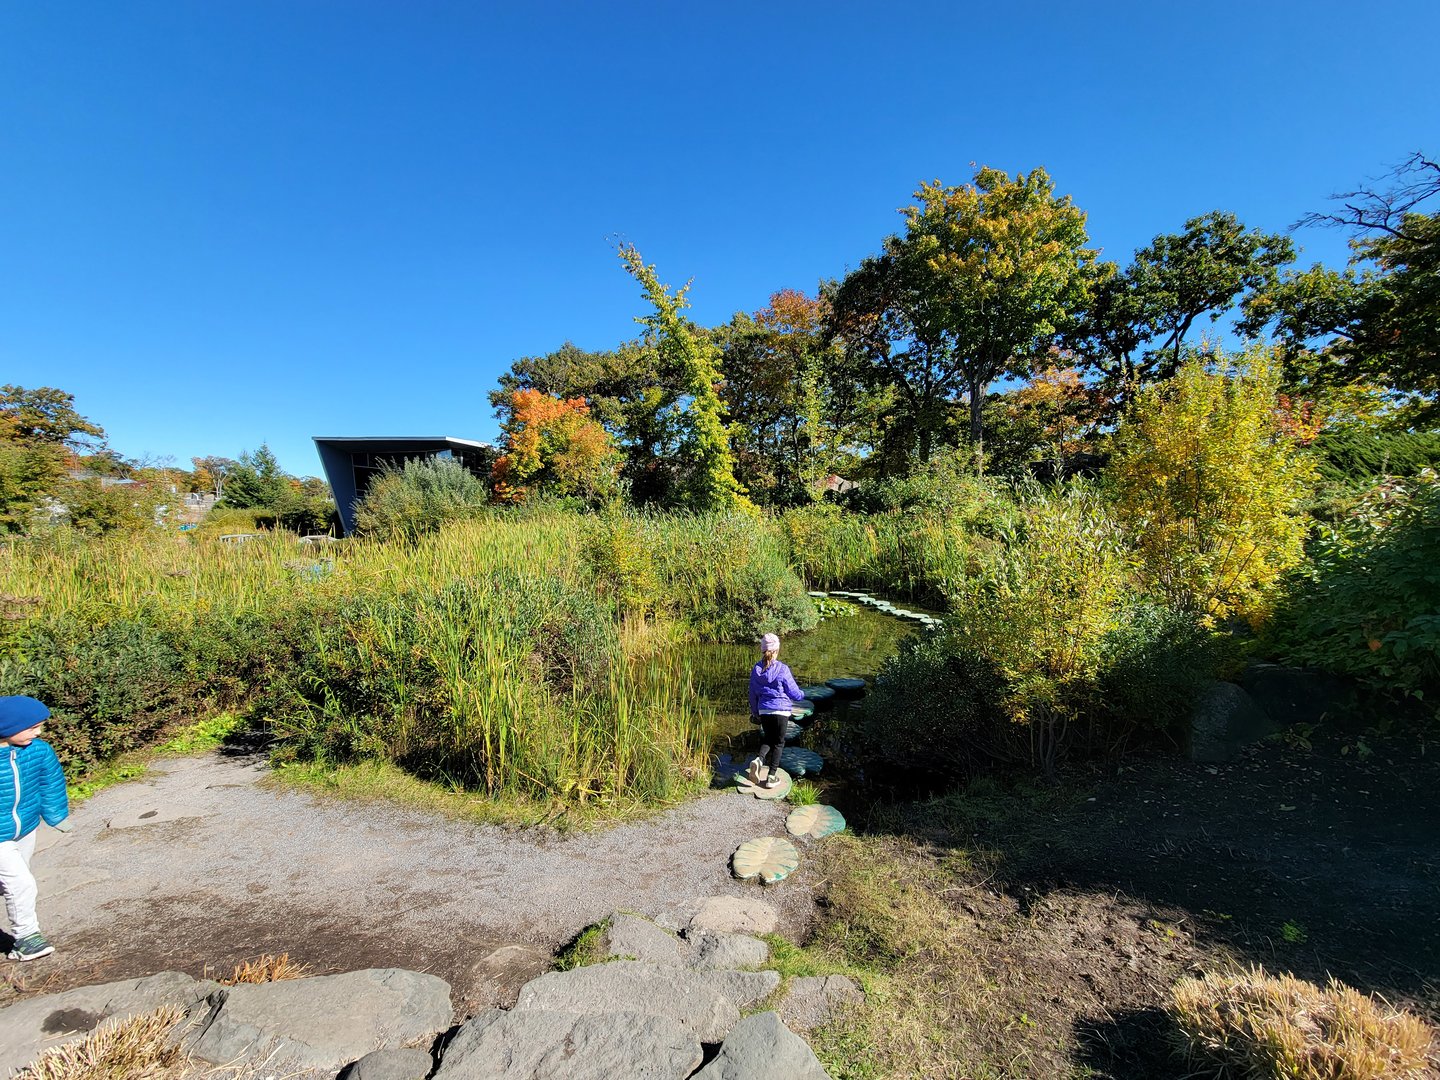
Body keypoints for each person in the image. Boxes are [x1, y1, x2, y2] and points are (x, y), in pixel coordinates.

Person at [1, 695, 71, 962]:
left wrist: (57, 816)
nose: (38, 732)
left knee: (13, 880)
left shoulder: (38, 751)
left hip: (25, 827)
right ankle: (27, 939)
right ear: (7, 727)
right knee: (21, 882)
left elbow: (50, 783)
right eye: (32, 727)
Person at [747, 632, 805, 788]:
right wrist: (802, 695)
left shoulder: (756, 669)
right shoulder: (782, 669)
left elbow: (752, 693)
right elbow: (793, 692)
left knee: (768, 739)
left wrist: (755, 712)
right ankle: (771, 777)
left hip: (764, 710)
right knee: (779, 743)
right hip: (781, 711)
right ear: (777, 650)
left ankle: (759, 760)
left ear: (763, 650)